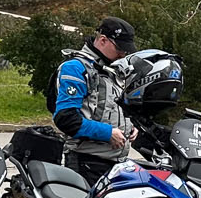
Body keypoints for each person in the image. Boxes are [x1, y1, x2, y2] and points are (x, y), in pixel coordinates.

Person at [49, 16, 137, 182]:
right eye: (120, 48)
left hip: (114, 164)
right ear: (103, 40)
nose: (123, 54)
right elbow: (66, 119)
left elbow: (108, 109)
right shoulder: (75, 68)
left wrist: (130, 127)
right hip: (85, 162)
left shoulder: (113, 70)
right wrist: (108, 133)